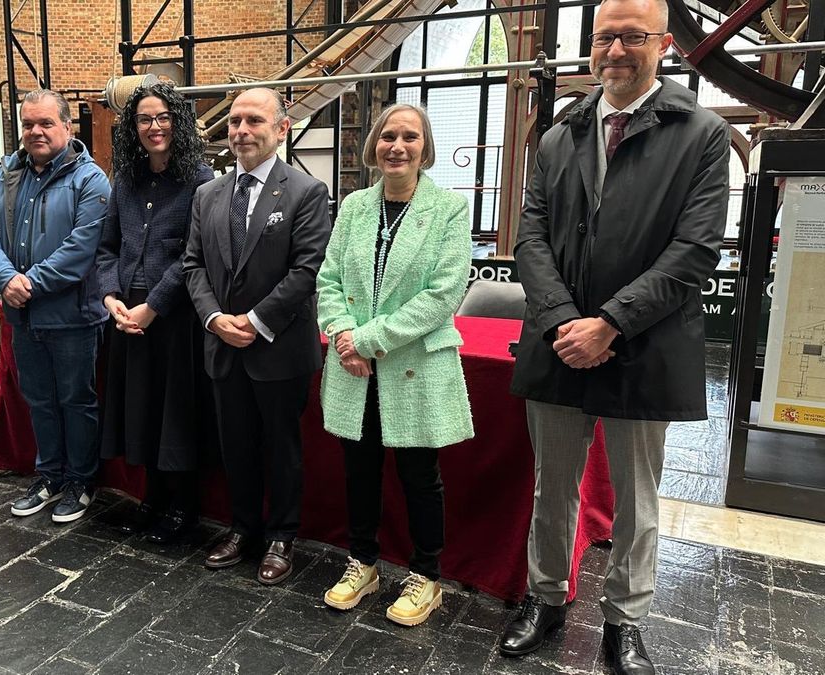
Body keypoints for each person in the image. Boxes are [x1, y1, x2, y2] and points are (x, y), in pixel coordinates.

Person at [498, 0, 730, 671]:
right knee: (553, 486)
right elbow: (531, 237)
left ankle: (624, 620)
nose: (616, 51)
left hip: (644, 343)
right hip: (558, 339)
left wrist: (611, 323)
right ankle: (545, 598)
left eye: (632, 36)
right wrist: (566, 321)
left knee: (636, 498)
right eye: (605, 37)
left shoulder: (702, 135)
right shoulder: (558, 136)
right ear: (590, 47)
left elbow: (695, 250)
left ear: (662, 43)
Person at [315, 104, 473, 626]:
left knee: (418, 476)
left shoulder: (449, 209)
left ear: (425, 149)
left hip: (411, 366)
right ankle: (363, 562)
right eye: (388, 136)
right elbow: (329, 279)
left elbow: (442, 295)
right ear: (374, 146)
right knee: (358, 471)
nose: (397, 146)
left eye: (409, 137)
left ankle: (425, 575)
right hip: (353, 367)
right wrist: (342, 336)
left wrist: (365, 339)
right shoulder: (355, 206)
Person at [184, 87, 331, 584]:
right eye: (234, 122)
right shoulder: (208, 194)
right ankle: (243, 528)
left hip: (279, 348)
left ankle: (282, 537)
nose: (242, 130)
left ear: (281, 128)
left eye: (254, 121)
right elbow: (193, 266)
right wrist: (214, 319)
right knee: (237, 446)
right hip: (222, 346)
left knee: (282, 447)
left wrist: (255, 321)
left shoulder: (306, 192)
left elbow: (307, 270)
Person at [0, 89, 111, 524]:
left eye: (46, 123)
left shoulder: (91, 181)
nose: (35, 131)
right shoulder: (5, 176)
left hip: (73, 317)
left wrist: (26, 282)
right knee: (39, 400)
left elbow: (81, 249)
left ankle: (81, 481)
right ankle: (49, 475)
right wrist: (4, 278)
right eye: (28, 123)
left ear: (67, 128)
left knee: (76, 400)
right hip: (23, 317)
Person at [95, 83, 216, 543]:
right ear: (133, 127)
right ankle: (151, 500)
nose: (154, 127)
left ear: (178, 122)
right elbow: (107, 247)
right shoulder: (124, 180)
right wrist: (111, 298)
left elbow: (193, 256)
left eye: (163, 117)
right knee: (139, 411)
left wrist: (153, 307)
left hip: (174, 319)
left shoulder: (200, 181)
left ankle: (183, 508)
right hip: (126, 315)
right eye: (144, 119)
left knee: (174, 414)